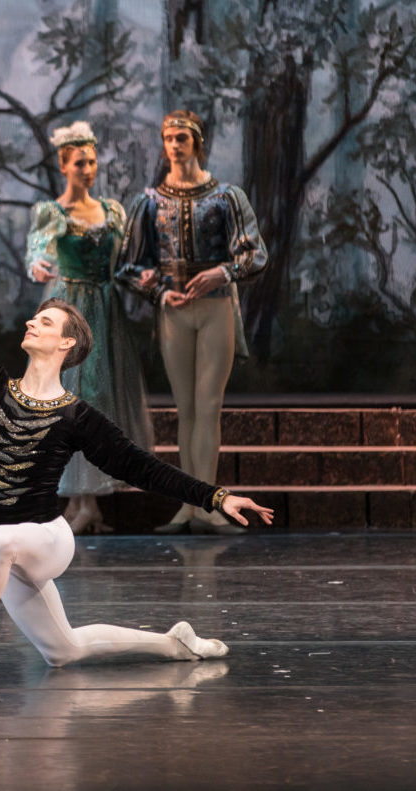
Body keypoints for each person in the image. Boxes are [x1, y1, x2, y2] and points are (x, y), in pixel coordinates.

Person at [0, 182, 273, 686]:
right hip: (1, 543)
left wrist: (216, 496)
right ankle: (174, 643)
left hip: (46, 540)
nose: (31, 322)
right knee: (63, 651)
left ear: (65, 344)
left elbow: (142, 467)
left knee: (3, 542)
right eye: (35, 317)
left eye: (45, 321)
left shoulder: (77, 417)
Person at [118, 110, 268, 535]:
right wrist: (159, 291)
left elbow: (255, 254)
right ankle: (189, 504)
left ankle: (210, 506)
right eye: (168, 138)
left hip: (216, 306)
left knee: (209, 406)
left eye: (181, 138)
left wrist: (222, 272)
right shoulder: (149, 202)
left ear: (197, 143)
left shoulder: (225, 197)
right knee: (185, 409)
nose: (174, 145)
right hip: (174, 311)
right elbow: (127, 267)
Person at [25, 121, 153, 535]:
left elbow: (127, 260)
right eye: (80, 163)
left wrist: (144, 277)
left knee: (99, 398)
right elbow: (37, 248)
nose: (88, 169)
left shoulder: (112, 211)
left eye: (93, 162)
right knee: (71, 399)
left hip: (105, 313)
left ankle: (88, 502)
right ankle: (80, 501)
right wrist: (37, 264)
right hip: (70, 310)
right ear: (64, 165)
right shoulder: (52, 212)